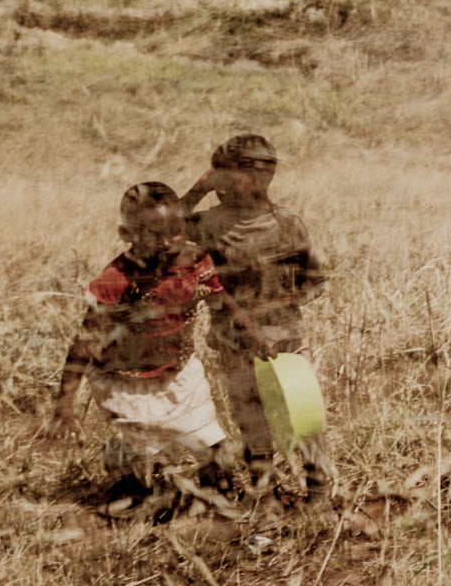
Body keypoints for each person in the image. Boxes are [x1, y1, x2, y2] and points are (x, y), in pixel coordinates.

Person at [47, 182, 227, 486]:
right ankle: (126, 465)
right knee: (153, 470)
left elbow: (220, 300)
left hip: (180, 374)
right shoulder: (117, 280)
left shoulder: (194, 261)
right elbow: (84, 342)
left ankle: (222, 510)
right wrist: (64, 407)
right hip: (127, 382)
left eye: (176, 231)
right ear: (127, 236)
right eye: (155, 235)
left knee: (213, 449)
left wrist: (233, 330)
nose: (169, 242)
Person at [186, 132, 324, 478]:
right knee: (250, 418)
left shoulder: (286, 224)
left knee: (303, 414)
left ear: (262, 177)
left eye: (229, 173)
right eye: (217, 172)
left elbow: (315, 279)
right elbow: (157, 226)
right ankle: (265, 491)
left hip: (285, 341)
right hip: (234, 342)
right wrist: (198, 188)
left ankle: (318, 490)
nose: (222, 181)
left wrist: (275, 308)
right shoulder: (209, 224)